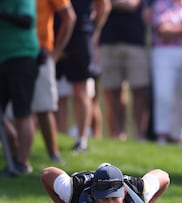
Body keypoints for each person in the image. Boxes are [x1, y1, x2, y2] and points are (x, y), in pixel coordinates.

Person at [55, 0, 111, 152]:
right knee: (57, 94)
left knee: (81, 90)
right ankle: (58, 139)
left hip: (80, 33)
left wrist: (94, 30)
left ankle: (81, 140)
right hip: (54, 32)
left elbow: (103, 5)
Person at [150, 0, 182, 144]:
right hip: (163, 53)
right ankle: (162, 134)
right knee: (163, 94)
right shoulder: (161, 3)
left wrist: (175, 30)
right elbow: (163, 31)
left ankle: (177, 136)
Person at [99, 0, 150, 141]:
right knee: (113, 91)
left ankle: (139, 135)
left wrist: (112, 4)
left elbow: (131, 4)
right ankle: (119, 134)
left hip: (135, 41)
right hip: (108, 40)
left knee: (139, 90)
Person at [0, 0, 40, 175]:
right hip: (2, 59)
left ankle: (21, 163)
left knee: (22, 112)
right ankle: (12, 141)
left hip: (22, 57)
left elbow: (27, 21)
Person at [34, 0, 76, 162]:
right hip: (12, 52)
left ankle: (54, 153)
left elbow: (69, 17)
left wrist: (56, 52)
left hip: (42, 53)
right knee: (16, 113)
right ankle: (16, 158)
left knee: (44, 108)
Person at [41, 163, 170, 203]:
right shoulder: (72, 189)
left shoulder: (140, 190)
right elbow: (47, 174)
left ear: (124, 192)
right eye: (105, 198)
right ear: (94, 193)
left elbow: (164, 177)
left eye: (114, 197)